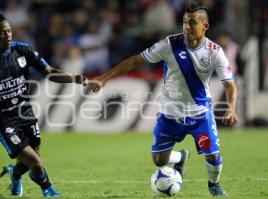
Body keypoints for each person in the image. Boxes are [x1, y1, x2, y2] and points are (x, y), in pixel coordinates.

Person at [89, 3, 238, 197]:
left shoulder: (214, 51)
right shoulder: (170, 44)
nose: (186, 27)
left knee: (213, 155)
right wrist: (104, 78)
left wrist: (231, 108)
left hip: (199, 112)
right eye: (184, 22)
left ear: (205, 26)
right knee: (159, 160)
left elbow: (230, 84)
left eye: (192, 23)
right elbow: (136, 60)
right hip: (170, 112)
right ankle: (181, 157)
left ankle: (214, 184)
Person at [0, 12, 86, 197]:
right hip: (3, 122)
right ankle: (49, 189)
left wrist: (74, 78)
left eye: (8, 31)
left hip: (25, 114)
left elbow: (49, 71)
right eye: (1, 33)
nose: (7, 35)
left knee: (29, 160)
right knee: (36, 162)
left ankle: (14, 174)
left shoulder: (23, 50)